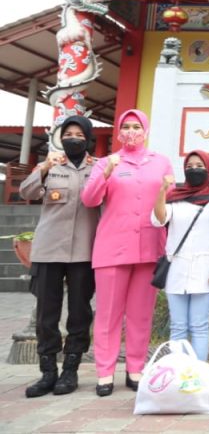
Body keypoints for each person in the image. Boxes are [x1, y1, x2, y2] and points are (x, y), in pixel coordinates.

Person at [81, 109, 173, 396]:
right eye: (126, 127)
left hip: (148, 248)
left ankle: (135, 368)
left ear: (145, 131)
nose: (131, 131)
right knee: (108, 314)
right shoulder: (107, 162)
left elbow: (167, 203)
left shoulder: (161, 163)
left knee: (140, 314)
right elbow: (89, 199)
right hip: (113, 248)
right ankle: (105, 372)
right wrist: (106, 173)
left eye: (136, 127)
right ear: (118, 133)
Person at [20, 116, 99, 397]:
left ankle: (70, 371)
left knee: (79, 314)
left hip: (83, 253)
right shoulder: (51, 166)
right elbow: (26, 191)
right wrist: (43, 167)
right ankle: (48, 372)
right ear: (61, 137)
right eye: (68, 134)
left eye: (79, 134)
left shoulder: (98, 167)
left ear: (88, 138)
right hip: (48, 250)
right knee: (46, 315)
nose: (73, 138)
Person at [151, 150, 209, 361]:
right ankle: (178, 373)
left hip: (205, 269)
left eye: (199, 166)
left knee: (199, 325)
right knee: (177, 326)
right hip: (176, 267)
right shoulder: (175, 197)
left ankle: (197, 375)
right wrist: (162, 191)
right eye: (190, 166)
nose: (194, 170)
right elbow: (159, 219)